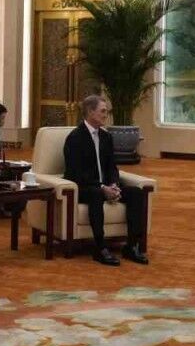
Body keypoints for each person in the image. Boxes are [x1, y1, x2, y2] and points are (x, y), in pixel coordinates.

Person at [62, 95, 149, 266]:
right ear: (90, 112)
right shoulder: (75, 138)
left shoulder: (106, 137)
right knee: (96, 194)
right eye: (102, 111)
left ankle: (132, 246)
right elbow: (76, 173)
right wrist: (102, 187)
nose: (106, 115)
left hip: (106, 186)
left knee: (136, 193)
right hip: (84, 187)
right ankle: (100, 248)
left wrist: (114, 184)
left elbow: (112, 167)